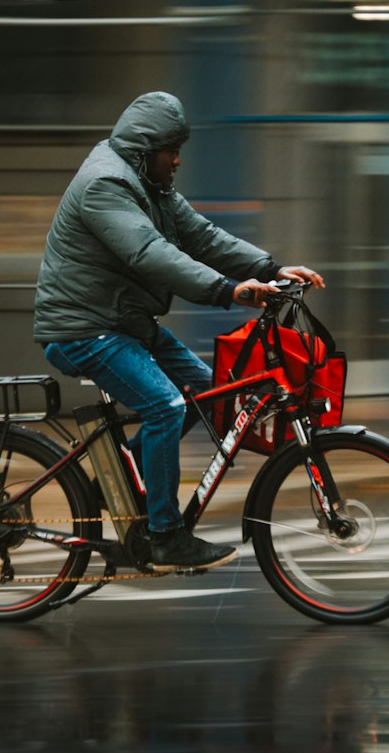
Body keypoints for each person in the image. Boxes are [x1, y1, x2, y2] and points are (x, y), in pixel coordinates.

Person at [34, 91, 324, 571]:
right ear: (147, 150)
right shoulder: (105, 185)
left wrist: (271, 268)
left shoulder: (151, 185)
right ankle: (166, 536)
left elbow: (202, 237)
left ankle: (117, 483)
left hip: (123, 323)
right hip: (83, 328)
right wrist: (229, 291)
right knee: (166, 406)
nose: (178, 159)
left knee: (209, 393)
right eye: (172, 150)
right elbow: (151, 253)